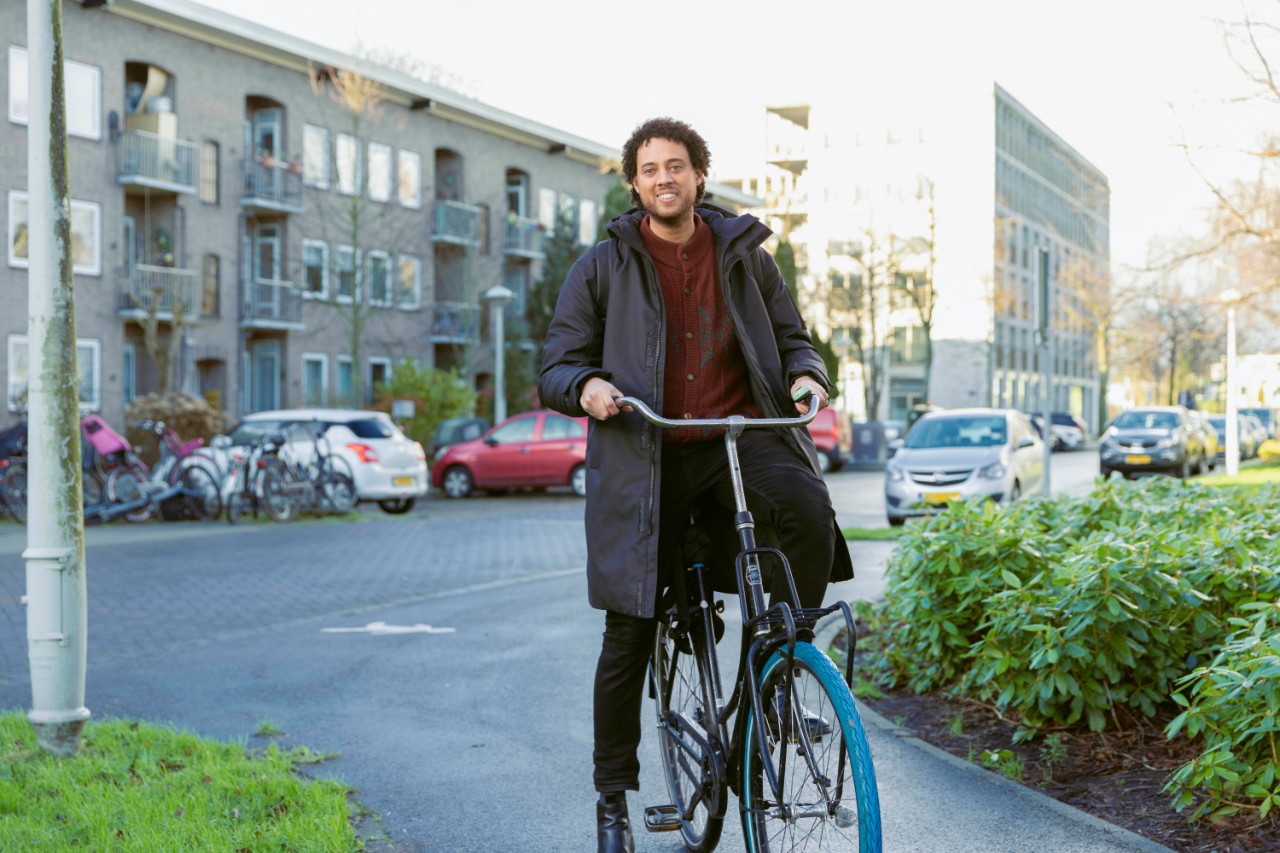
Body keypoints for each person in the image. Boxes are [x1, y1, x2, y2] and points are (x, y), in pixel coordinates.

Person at [538, 117, 853, 853]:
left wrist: (807, 373)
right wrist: (583, 385)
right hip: (648, 451)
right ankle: (612, 800)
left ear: (699, 175)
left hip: (739, 439)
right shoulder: (602, 265)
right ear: (635, 183)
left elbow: (793, 337)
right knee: (629, 628)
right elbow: (557, 360)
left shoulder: (745, 256)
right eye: (649, 170)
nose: (664, 179)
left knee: (807, 507)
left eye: (676, 166)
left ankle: (775, 668)